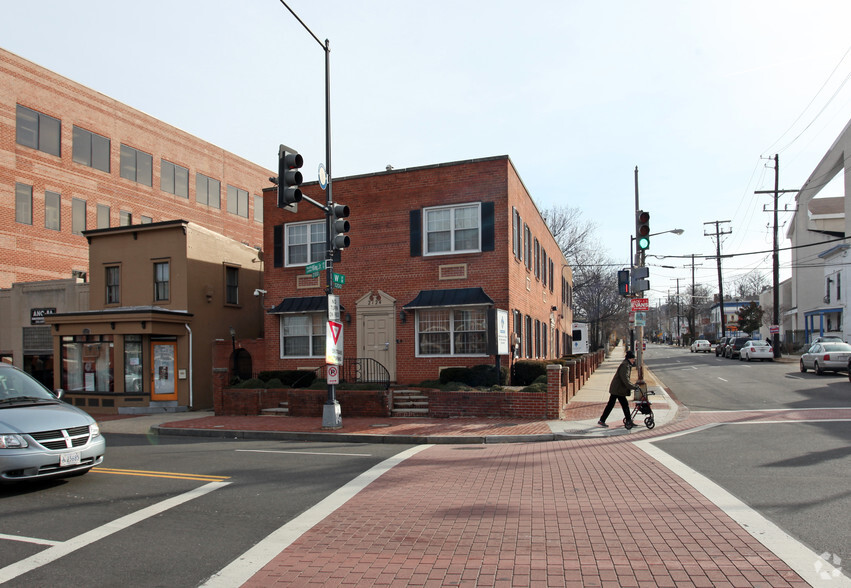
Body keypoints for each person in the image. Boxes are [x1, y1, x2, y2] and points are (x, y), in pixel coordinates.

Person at [597, 350, 637, 428]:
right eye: (633, 359)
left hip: (618, 389)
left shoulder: (626, 364)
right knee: (623, 405)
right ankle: (628, 421)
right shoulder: (625, 365)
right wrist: (633, 386)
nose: (634, 360)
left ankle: (602, 420)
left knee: (613, 404)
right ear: (629, 358)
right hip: (618, 389)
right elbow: (624, 379)